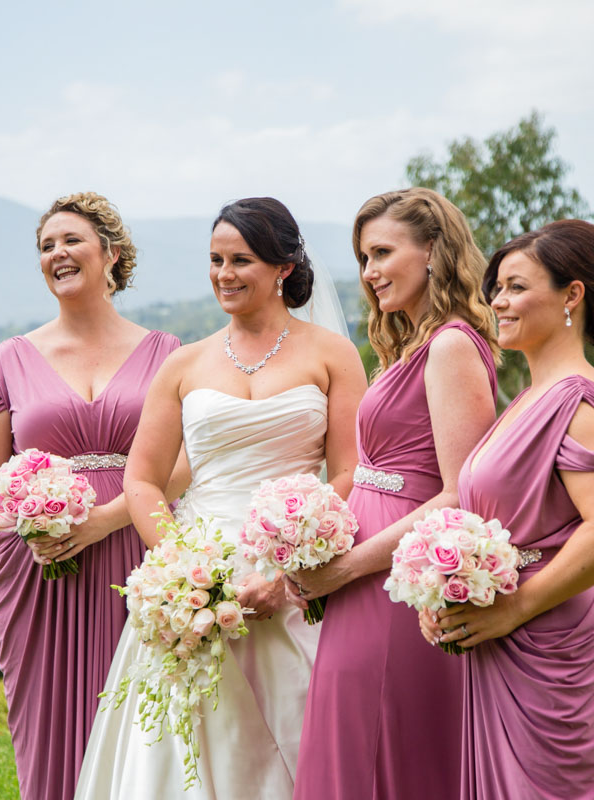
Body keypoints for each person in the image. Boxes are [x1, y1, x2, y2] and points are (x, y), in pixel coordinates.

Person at [75, 197, 366, 799]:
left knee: (302, 729)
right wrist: (181, 567)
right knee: (184, 745)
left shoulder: (332, 354)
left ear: (284, 267)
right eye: (215, 260)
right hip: (195, 574)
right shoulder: (184, 364)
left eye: (241, 260)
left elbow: (349, 471)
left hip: (292, 570)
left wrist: (293, 568)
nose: (224, 274)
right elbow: (143, 480)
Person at [0, 192, 185, 800]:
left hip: (137, 551)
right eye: (46, 245)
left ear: (111, 254)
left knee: (143, 727)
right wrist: (19, 509)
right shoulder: (11, 358)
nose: (57, 253)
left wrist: (106, 519)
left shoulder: (167, 354)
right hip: (42, 561)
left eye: (71, 240)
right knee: (50, 725)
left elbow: (186, 464)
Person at [426, 219, 594, 798]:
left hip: (560, 658)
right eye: (497, 288)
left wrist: (515, 607)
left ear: (571, 295)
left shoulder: (577, 400)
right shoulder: (531, 396)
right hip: (507, 644)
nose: (498, 302)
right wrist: (443, 595)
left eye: (517, 287)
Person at [292, 188, 500, 799]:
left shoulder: (452, 345)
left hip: (395, 581)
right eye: (364, 257)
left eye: (383, 253)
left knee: (382, 748)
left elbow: (459, 493)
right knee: (353, 739)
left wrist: (348, 567)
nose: (369, 272)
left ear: (433, 250)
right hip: (366, 574)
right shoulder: (410, 344)